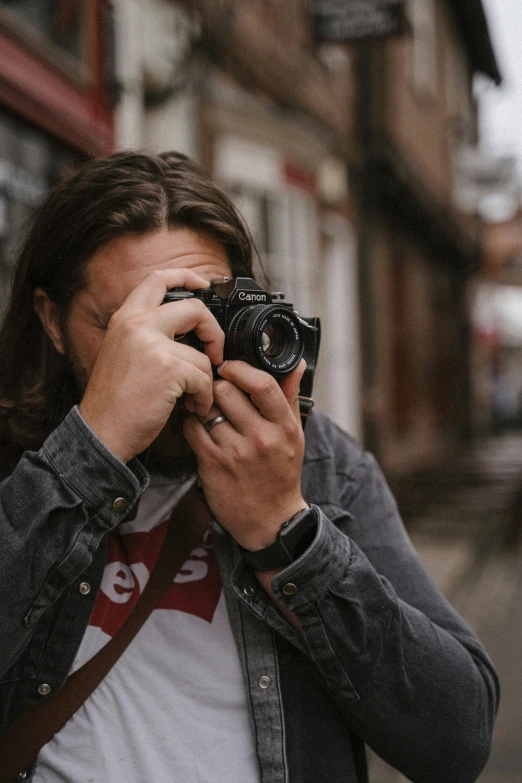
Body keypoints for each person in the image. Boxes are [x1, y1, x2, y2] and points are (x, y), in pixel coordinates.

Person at [0, 152, 498, 783]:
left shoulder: (323, 465)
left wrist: (286, 531)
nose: (177, 349)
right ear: (53, 322)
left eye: (201, 313)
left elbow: (457, 741)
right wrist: (89, 453)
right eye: (131, 324)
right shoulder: (19, 468)